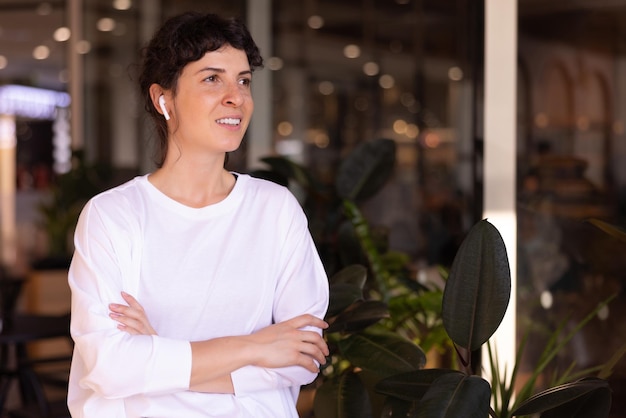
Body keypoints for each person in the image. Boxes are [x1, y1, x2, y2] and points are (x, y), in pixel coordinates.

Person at [67, 11, 330, 418]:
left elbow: (302, 357)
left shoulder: (275, 209)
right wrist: (255, 346)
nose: (236, 96)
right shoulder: (113, 216)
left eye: (243, 80)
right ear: (163, 99)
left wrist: (158, 350)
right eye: (212, 78)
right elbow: (111, 368)